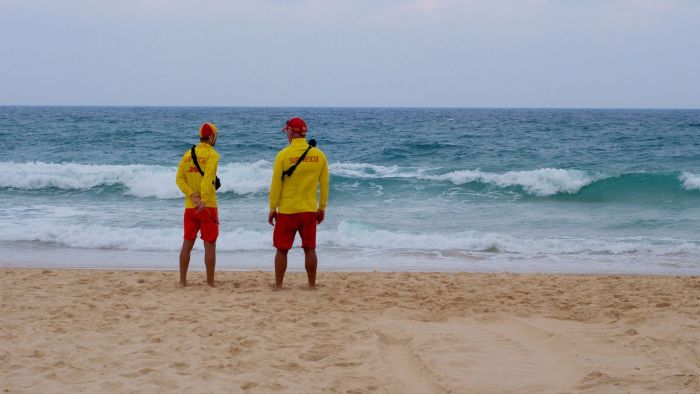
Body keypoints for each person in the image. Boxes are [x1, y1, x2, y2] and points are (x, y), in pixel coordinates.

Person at [268, 117, 329, 290]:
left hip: (287, 211)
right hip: (309, 210)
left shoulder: (283, 155)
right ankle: (311, 285)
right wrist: (322, 207)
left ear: (292, 132)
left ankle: (279, 285)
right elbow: (324, 185)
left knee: (281, 249)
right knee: (310, 248)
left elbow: (275, 185)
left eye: (286, 130)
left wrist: (273, 208)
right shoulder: (319, 155)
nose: (286, 133)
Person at [175, 122, 221, 287]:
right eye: (215, 136)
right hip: (207, 206)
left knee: (187, 243)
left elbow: (179, 179)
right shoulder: (213, 155)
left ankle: (182, 281)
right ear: (210, 137)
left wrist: (191, 195)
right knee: (209, 244)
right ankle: (210, 283)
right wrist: (203, 200)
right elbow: (208, 180)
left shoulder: (187, 154)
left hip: (190, 207)